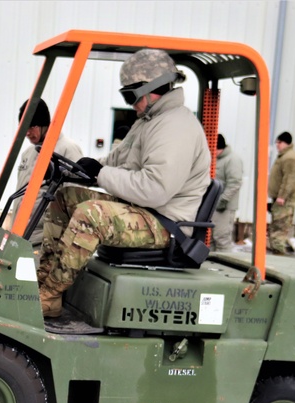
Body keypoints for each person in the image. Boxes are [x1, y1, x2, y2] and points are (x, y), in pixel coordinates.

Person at [37, 49, 211, 317]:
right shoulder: (148, 122)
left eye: (131, 96)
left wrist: (100, 174)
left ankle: (49, 297)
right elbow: (114, 161)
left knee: (90, 215)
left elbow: (154, 189)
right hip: (145, 212)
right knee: (66, 198)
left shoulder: (175, 127)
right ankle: (43, 283)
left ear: (153, 88)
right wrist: (78, 170)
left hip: (166, 223)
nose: (131, 104)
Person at [15, 99, 83, 250]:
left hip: (44, 240)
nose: (27, 132)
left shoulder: (67, 150)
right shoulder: (28, 153)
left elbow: (73, 199)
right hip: (21, 236)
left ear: (45, 124)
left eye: (32, 127)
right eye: (24, 127)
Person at [268, 131, 295, 255]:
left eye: (279, 142)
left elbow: (289, 179)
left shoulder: (290, 158)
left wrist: (282, 196)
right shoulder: (284, 156)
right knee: (276, 229)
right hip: (278, 199)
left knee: (278, 231)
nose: (277, 145)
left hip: (284, 201)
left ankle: (279, 257)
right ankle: (279, 253)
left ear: (286, 143)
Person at [212, 133, 244, 251]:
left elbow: (235, 183)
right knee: (210, 239)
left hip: (224, 207)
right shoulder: (216, 159)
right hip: (214, 205)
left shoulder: (232, 160)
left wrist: (223, 200)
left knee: (221, 238)